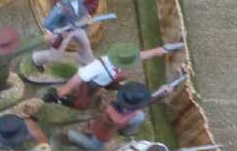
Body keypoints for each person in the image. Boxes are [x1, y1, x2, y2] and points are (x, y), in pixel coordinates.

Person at [44, 41, 178, 110]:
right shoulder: (97, 67)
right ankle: (62, 101)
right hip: (90, 83)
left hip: (105, 79)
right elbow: (77, 78)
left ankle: (110, 86)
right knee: (83, 105)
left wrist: (158, 51)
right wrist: (60, 93)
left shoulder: (123, 60)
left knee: (123, 76)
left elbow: (140, 55)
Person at [67, 80, 154, 151]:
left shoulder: (117, 101)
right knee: (96, 148)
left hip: (109, 120)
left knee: (140, 116)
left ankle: (127, 132)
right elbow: (120, 121)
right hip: (104, 131)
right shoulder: (116, 116)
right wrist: (133, 113)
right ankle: (70, 135)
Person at [31, 0, 96, 69]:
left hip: (77, 28)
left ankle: (87, 60)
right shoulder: (60, 8)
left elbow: (81, 9)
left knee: (85, 44)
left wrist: (86, 16)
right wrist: (60, 31)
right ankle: (37, 58)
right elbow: (48, 24)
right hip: (64, 31)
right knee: (54, 56)